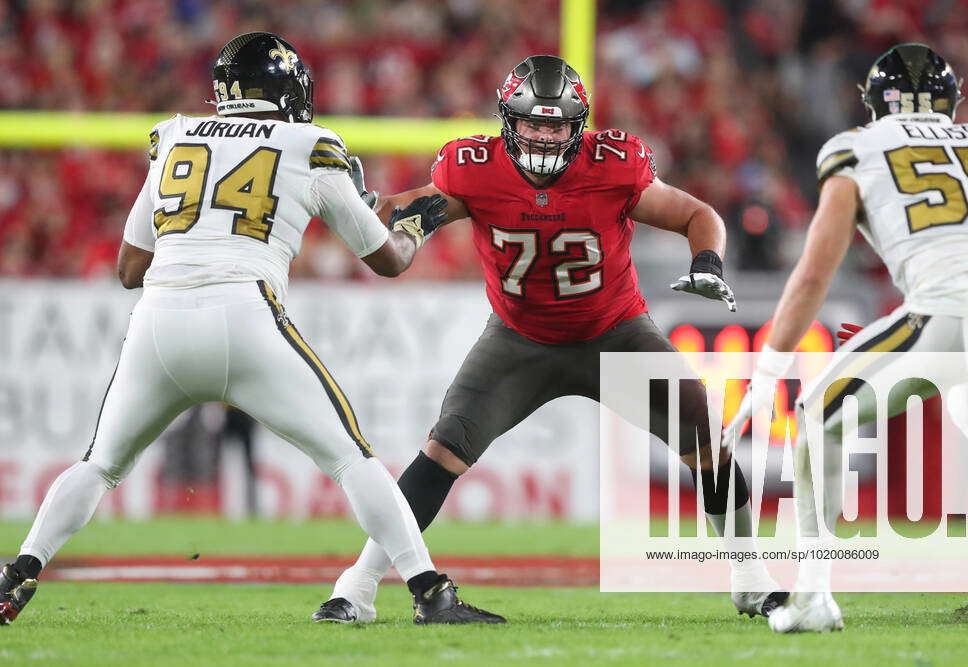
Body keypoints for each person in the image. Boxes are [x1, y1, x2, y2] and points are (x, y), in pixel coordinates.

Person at [0, 32, 504, 627]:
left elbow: (129, 268)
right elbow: (387, 260)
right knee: (351, 458)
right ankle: (430, 593)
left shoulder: (174, 136)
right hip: (244, 315)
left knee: (99, 465)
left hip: (158, 321)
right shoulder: (308, 143)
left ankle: (15, 574)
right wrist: (413, 227)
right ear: (289, 91)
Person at [315, 54, 785, 624]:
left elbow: (697, 214)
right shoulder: (473, 167)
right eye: (533, 123)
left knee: (704, 432)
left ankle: (750, 577)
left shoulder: (614, 165)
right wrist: (369, 210)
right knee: (443, 450)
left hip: (615, 332)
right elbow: (416, 209)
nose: (543, 136)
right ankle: (355, 588)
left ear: (578, 126)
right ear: (507, 121)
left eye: (556, 124)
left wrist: (708, 261)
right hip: (519, 339)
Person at [724, 43, 968, 632]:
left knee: (820, 410)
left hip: (948, 312)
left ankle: (813, 594)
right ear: (953, 101)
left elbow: (815, 273)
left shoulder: (857, 146)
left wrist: (767, 372)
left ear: (874, 102)